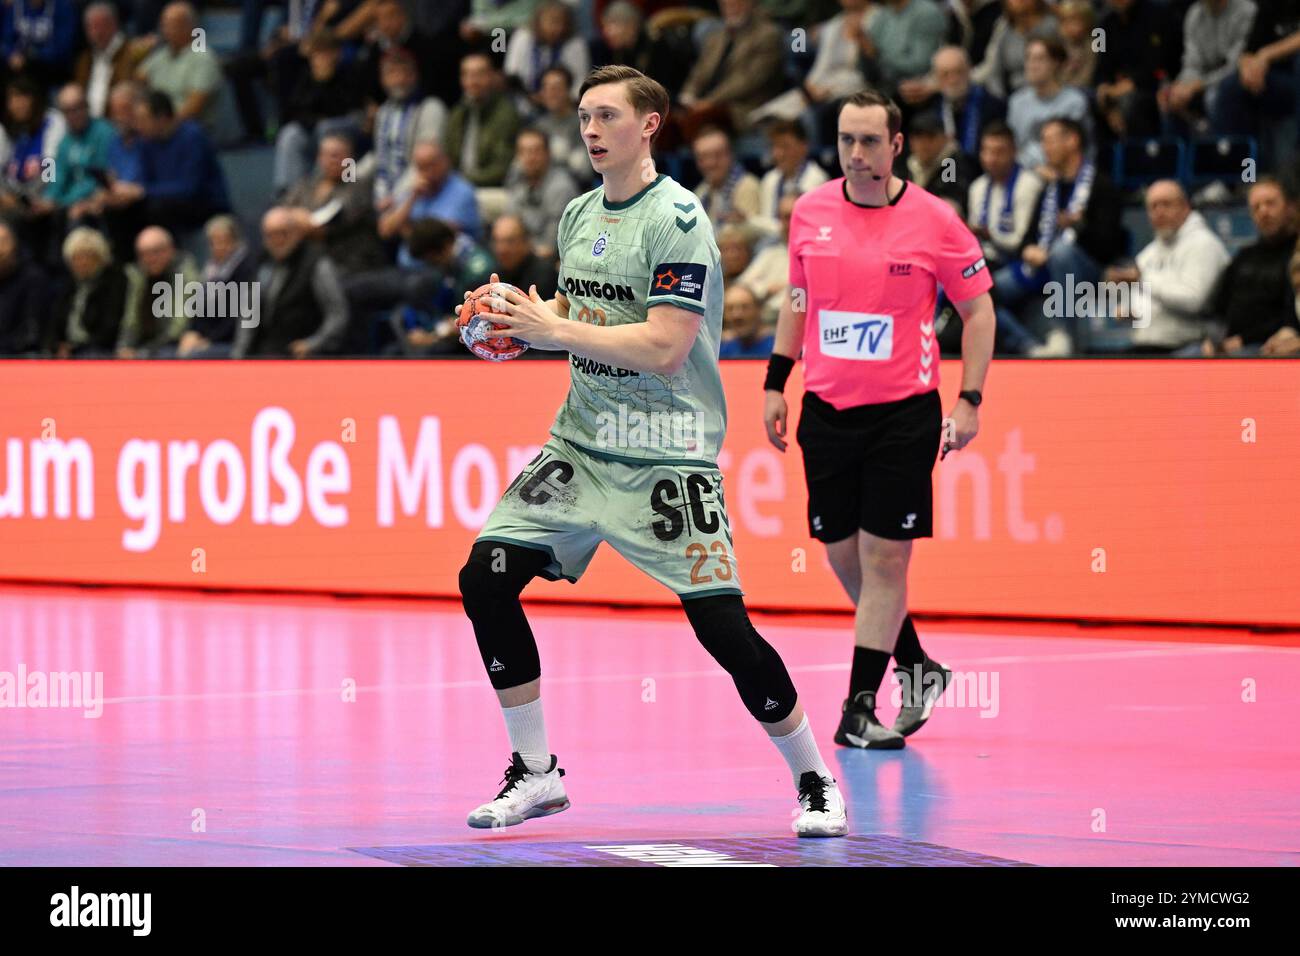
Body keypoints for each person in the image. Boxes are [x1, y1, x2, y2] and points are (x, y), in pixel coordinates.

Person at [457, 64, 848, 837]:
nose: (590, 130)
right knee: (485, 577)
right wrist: (519, 320)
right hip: (583, 441)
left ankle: (815, 779)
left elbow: (668, 345)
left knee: (723, 631)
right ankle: (536, 774)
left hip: (667, 450)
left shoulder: (679, 221)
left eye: (605, 116)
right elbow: (578, 309)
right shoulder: (576, 213)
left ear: (649, 126)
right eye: (582, 117)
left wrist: (553, 331)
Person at [762, 88, 996, 748]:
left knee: (885, 559)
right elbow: (798, 298)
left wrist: (970, 399)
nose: (857, 154)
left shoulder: (936, 221)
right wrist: (776, 381)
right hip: (826, 412)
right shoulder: (809, 211)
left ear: (897, 145)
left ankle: (859, 710)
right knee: (845, 558)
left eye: (870, 141)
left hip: (904, 415)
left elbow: (979, 312)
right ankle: (918, 666)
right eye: (845, 140)